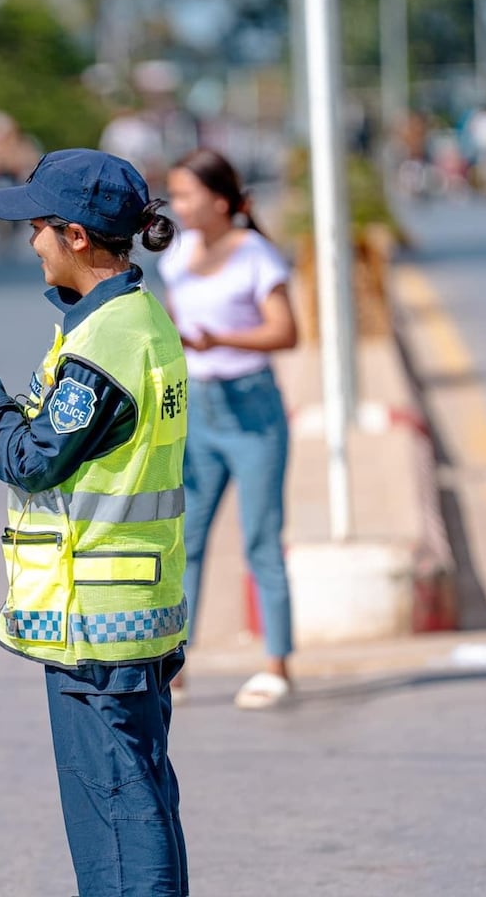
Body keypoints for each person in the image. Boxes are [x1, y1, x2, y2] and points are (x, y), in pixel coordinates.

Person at [0, 148, 191, 897]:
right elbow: (63, 441)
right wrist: (1, 413)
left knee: (118, 816)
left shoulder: (105, 342)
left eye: (38, 227)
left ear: (76, 236)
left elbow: (30, 461)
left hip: (97, 620)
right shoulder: (129, 322)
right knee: (142, 799)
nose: (31, 242)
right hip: (130, 611)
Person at [159, 148, 298, 710]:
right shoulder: (178, 254)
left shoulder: (257, 256)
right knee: (183, 541)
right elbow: (171, 322)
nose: (178, 205)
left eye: (187, 195)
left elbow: (287, 333)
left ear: (219, 201)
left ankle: (278, 664)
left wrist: (222, 341)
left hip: (252, 407)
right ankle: (175, 668)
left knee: (261, 539)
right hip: (199, 408)